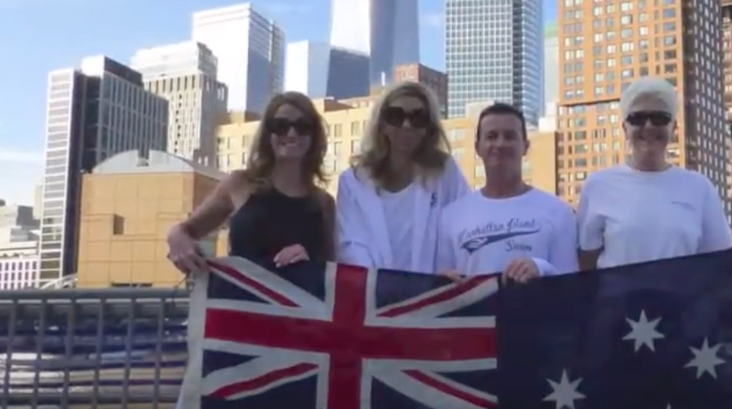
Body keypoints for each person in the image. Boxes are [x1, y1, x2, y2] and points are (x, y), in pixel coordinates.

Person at [577, 77, 732, 270]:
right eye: (637, 118)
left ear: (673, 128)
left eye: (659, 118)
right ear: (624, 127)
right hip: (619, 317)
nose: (648, 126)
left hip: (682, 317)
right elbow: (585, 265)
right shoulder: (597, 186)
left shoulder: (698, 188)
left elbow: (727, 260)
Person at [165, 91, 335, 273]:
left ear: (314, 136)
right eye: (280, 125)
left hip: (298, 299)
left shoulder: (324, 203)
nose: (292, 133)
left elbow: (332, 270)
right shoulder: (239, 184)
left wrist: (309, 261)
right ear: (267, 135)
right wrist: (176, 237)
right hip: (239, 299)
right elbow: (186, 230)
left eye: (303, 126)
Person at [335, 80, 469, 272]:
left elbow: (463, 232)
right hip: (373, 294)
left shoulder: (445, 172)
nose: (407, 126)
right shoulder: (353, 181)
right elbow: (349, 245)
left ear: (429, 127)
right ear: (382, 124)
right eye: (396, 116)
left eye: (418, 117)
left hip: (434, 293)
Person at [437, 103, 578, 283]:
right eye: (491, 136)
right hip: (479, 312)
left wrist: (541, 268)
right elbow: (443, 284)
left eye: (510, 136)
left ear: (525, 146)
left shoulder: (558, 212)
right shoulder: (451, 216)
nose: (500, 144)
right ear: (477, 148)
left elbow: (572, 285)